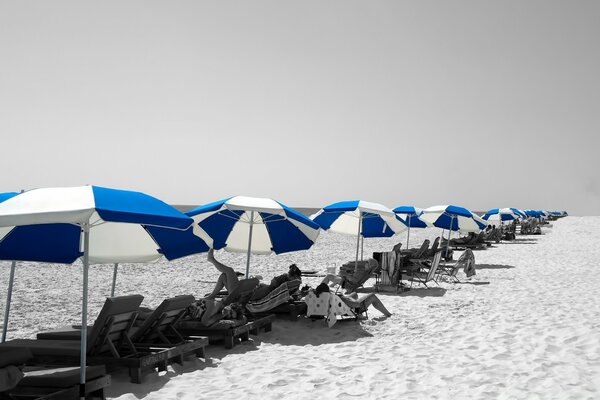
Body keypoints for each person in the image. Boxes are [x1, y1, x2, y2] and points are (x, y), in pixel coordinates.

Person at [206, 248, 302, 300]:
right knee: (224, 276)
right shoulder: (271, 288)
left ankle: (212, 259)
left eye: (276, 278)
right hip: (238, 291)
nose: (274, 278)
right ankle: (211, 296)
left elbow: (297, 282)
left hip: (237, 294)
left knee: (229, 271)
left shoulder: (272, 289)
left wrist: (296, 278)